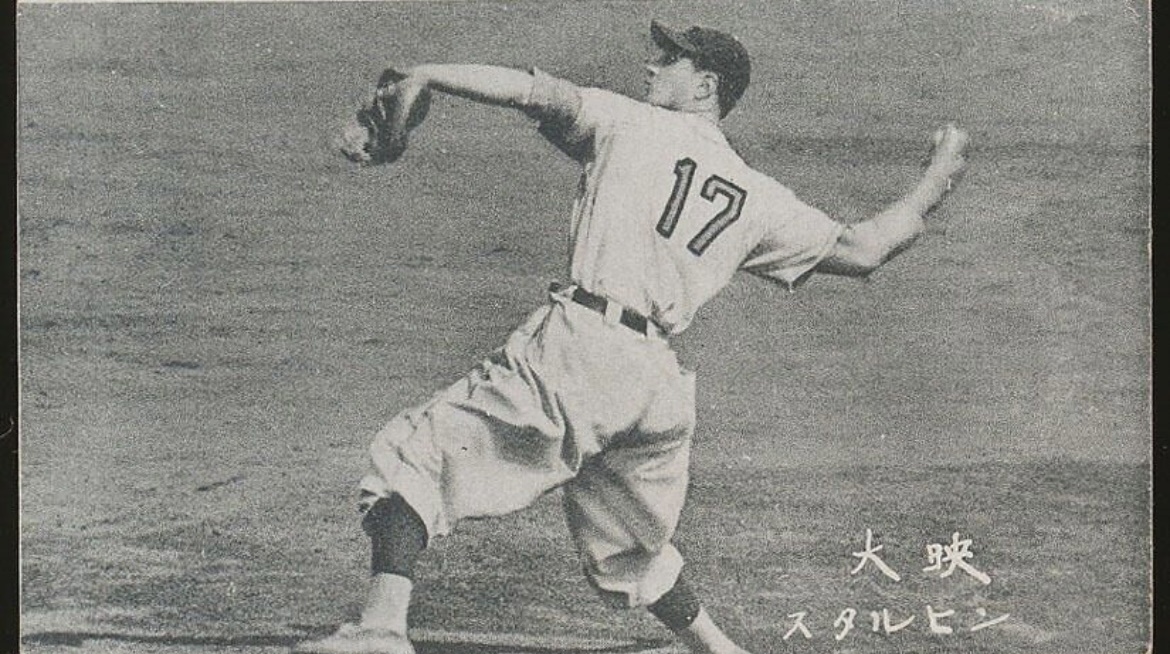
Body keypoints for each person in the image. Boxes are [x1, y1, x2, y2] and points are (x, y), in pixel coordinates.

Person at [297, 19, 968, 654]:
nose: (652, 65)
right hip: (656, 388)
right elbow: (865, 249)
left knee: (414, 456)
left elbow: (532, 91)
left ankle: (382, 630)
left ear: (705, 85)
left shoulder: (628, 121)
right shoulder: (758, 194)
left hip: (580, 349)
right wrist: (936, 177)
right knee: (630, 545)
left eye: (671, 59)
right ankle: (719, 649)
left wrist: (429, 73)